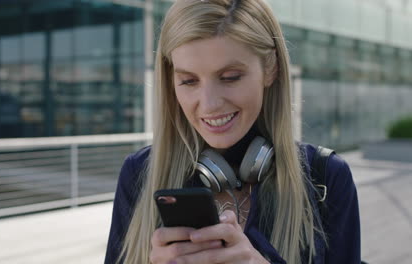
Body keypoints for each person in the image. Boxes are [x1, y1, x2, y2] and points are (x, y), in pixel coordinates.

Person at [105, 0, 361, 263]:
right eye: (189, 81)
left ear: (270, 68)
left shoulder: (326, 177)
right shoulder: (139, 173)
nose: (209, 104)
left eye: (230, 77)